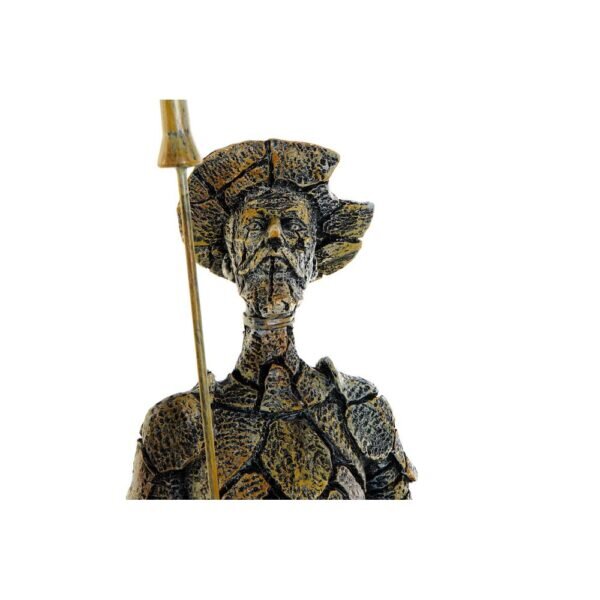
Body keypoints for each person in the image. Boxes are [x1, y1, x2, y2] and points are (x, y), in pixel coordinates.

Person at [127, 139, 416, 499]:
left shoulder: (359, 413)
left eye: (293, 225)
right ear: (229, 260)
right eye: (255, 226)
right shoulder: (181, 425)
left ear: (313, 261)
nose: (275, 237)